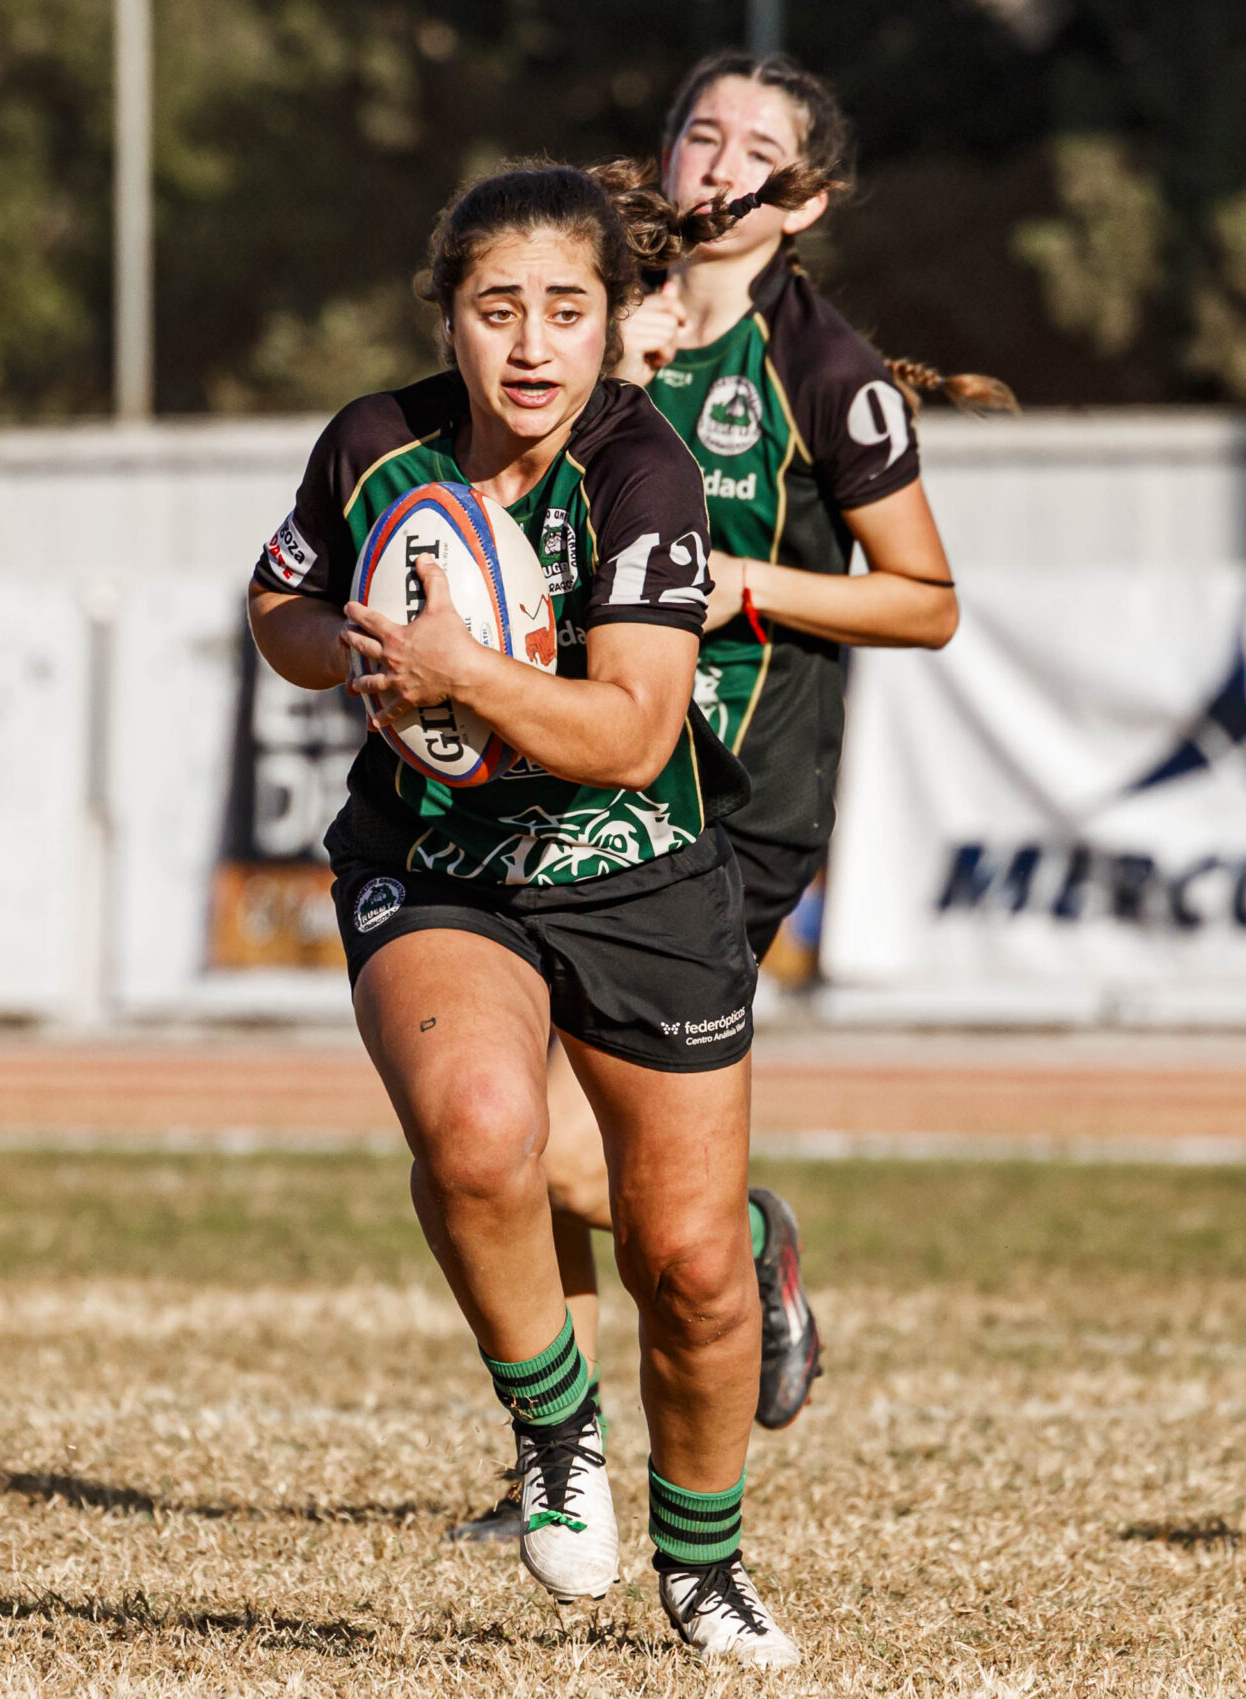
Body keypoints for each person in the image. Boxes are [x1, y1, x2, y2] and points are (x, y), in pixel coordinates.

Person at [246, 158, 819, 1668]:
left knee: (693, 1271)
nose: (531, 345)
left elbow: (630, 735)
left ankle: (704, 1563)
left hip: (641, 874)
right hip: (437, 868)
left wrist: (461, 674)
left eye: (567, 310)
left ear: (614, 320)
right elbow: (279, 608)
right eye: (497, 308)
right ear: (447, 318)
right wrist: (354, 652)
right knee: (476, 1135)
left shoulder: (645, 472)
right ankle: (554, 1427)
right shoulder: (375, 446)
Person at [449, 51, 1013, 1543]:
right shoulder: (594, 324)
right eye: (698, 133)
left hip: (732, 803)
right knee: (502, 1123)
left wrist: (740, 584)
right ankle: (549, 1466)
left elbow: (930, 603)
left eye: (752, 146)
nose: (712, 164)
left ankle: (744, 1248)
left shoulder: (819, 372)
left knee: (581, 1138)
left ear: (804, 199)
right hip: (561, 774)